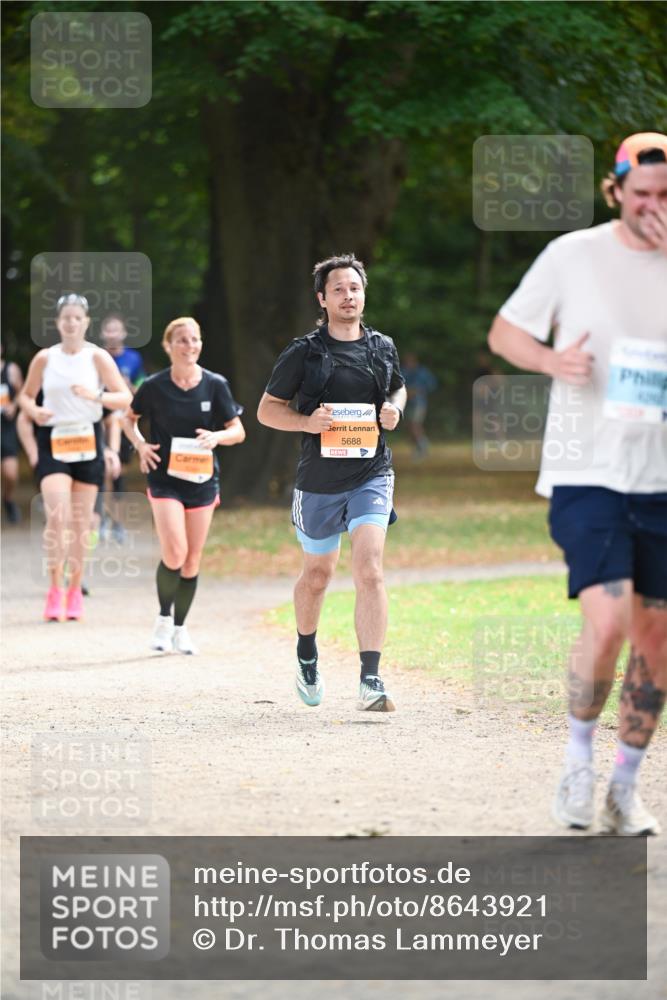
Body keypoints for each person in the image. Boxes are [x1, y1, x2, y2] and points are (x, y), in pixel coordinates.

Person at [487, 133, 667, 835]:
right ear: (614, 189)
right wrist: (550, 360)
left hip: (661, 476)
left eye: (665, 197)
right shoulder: (572, 255)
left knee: (655, 638)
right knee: (609, 621)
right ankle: (575, 762)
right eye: (642, 194)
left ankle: (624, 785)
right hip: (585, 468)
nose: (653, 208)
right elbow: (504, 333)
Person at [257, 253, 407, 712]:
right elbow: (267, 410)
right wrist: (307, 423)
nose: (348, 296)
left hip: (371, 473)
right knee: (318, 575)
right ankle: (306, 654)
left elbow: (397, 387)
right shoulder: (304, 352)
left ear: (364, 295)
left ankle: (371, 679)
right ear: (322, 299)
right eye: (338, 289)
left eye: (355, 288)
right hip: (319, 482)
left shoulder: (381, 346)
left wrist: (394, 408)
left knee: (370, 569)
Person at [123, 316, 245, 655]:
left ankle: (180, 628)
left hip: (203, 480)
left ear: (200, 344)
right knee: (174, 552)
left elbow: (238, 430)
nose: (189, 345)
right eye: (182, 339)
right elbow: (128, 418)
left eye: (194, 339)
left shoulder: (215, 384)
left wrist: (217, 436)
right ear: (168, 346)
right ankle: (162, 620)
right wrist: (140, 445)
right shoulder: (155, 385)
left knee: (192, 560)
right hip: (164, 479)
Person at [18, 293, 132, 621]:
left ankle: (75, 589)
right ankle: (54, 589)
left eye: (77, 318)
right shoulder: (45, 358)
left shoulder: (97, 358)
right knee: (57, 517)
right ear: (57, 323)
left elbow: (124, 397)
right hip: (54, 439)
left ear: (86, 323)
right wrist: (35, 409)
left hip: (87, 440)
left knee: (81, 525)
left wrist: (95, 395)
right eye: (65, 317)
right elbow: (24, 397)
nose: (71, 322)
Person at [100, 313, 147, 542]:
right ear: (102, 334)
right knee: (103, 472)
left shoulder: (134, 358)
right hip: (101, 421)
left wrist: (130, 389)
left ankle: (116, 522)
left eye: (116, 330)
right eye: (108, 330)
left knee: (119, 474)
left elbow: (142, 387)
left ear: (124, 333)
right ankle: (100, 519)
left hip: (125, 420)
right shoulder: (97, 357)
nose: (112, 334)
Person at [1, 344, 24, 522]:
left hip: (6, 429)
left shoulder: (11, 369)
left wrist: (14, 405)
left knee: (10, 473)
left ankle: (7, 499)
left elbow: (23, 392)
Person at [402, 352, 437, 457]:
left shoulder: (422, 372)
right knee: (409, 426)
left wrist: (418, 391)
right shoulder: (402, 371)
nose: (408, 364)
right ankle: (418, 447)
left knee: (415, 425)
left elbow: (432, 385)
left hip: (418, 403)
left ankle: (423, 447)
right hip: (406, 403)